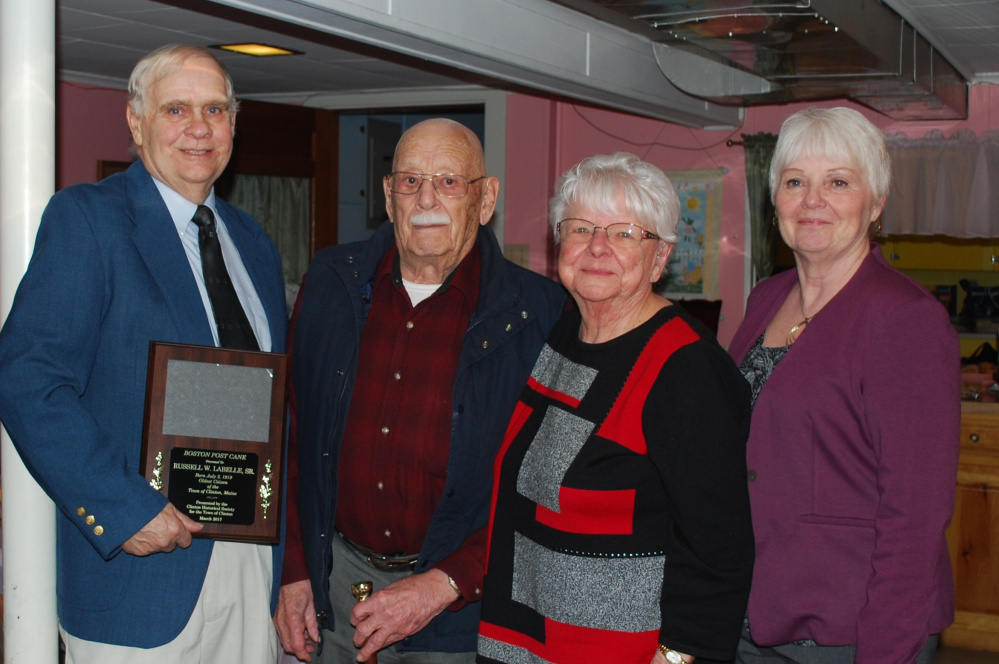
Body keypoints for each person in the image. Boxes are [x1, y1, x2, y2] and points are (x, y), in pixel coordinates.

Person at [0, 45, 287, 663]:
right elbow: (30, 381)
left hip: (247, 565)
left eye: (215, 109)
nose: (199, 127)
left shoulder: (254, 243)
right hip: (140, 574)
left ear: (234, 122)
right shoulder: (89, 221)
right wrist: (124, 510)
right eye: (176, 108)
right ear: (136, 122)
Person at [273, 118, 567, 663]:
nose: (426, 198)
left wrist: (448, 582)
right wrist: (294, 570)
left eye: (450, 182)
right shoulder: (330, 282)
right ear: (389, 196)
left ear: (486, 199)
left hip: (459, 606)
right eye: (410, 181)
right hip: (331, 593)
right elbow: (291, 433)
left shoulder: (540, 313)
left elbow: (547, 484)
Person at [477, 152, 755, 664]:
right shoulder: (567, 332)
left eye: (625, 233)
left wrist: (677, 656)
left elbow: (720, 548)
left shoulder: (686, 369)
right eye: (581, 228)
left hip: (622, 651)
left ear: (661, 256)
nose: (598, 247)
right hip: (529, 638)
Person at [728, 107, 961, 663]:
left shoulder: (905, 319)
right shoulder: (765, 297)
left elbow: (916, 515)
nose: (813, 200)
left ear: (876, 203)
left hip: (849, 626)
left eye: (838, 181)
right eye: (795, 182)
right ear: (775, 200)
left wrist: (885, 649)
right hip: (751, 611)